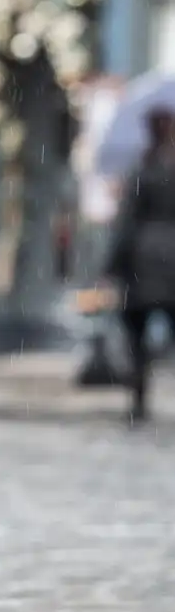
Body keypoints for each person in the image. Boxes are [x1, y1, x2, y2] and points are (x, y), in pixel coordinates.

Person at [105, 106, 175, 424]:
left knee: (136, 336)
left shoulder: (142, 169)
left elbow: (126, 223)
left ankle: (138, 401)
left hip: (143, 261)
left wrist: (112, 265)